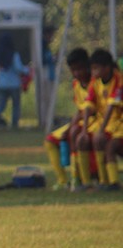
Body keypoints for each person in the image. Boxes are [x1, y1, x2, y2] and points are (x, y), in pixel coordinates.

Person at [42, 48, 92, 190]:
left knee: (74, 133)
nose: (77, 73)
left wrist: (71, 127)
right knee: (50, 140)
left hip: (94, 122)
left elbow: (91, 110)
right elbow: (79, 109)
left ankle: (78, 178)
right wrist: (70, 125)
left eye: (80, 69)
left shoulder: (95, 82)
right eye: (73, 70)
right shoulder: (76, 84)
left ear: (87, 65)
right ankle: (63, 180)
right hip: (80, 122)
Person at [83, 48, 122, 190]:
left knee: (109, 146)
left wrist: (101, 130)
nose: (92, 72)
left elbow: (112, 107)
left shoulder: (119, 80)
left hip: (119, 123)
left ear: (107, 68)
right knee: (88, 139)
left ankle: (113, 183)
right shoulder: (95, 81)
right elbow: (88, 104)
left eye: (95, 68)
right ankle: (102, 180)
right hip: (105, 122)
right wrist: (84, 130)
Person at [0, 33, 30, 129]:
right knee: (16, 105)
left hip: (1, 84)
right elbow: (18, 68)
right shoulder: (14, 54)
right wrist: (27, 70)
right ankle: (14, 125)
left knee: (1, 106)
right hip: (14, 84)